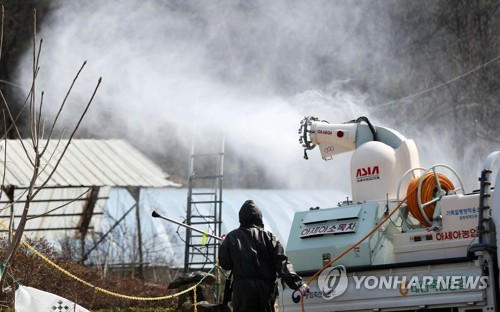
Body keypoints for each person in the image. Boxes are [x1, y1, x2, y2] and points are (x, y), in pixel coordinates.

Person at [218, 199, 309, 312]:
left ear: (241, 217)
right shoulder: (269, 237)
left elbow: (225, 264)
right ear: (259, 217)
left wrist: (223, 246)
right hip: (265, 291)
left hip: (243, 292)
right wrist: (298, 285)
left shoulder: (232, 237)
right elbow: (282, 264)